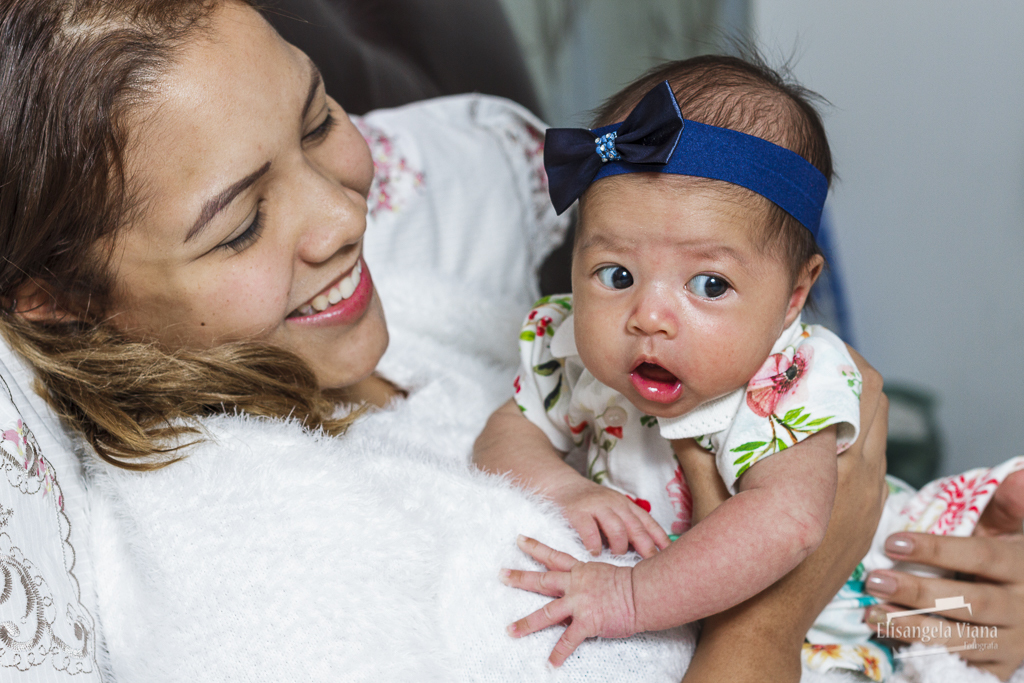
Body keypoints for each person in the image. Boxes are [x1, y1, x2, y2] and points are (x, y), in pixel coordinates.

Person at [0, 0, 1014, 681]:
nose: (346, 218)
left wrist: (963, 598)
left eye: (317, 122)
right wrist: (771, 618)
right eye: (241, 224)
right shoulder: (225, 550)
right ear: (59, 296)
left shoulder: (416, 317)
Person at [473, 57, 1024, 681]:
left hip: (856, 588)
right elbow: (506, 432)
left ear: (793, 296)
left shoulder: (788, 378)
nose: (648, 317)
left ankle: (981, 537)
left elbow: (788, 524)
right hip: (784, 631)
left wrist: (628, 596)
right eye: (616, 274)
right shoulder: (570, 347)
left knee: (942, 617)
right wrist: (564, 487)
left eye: (710, 284)